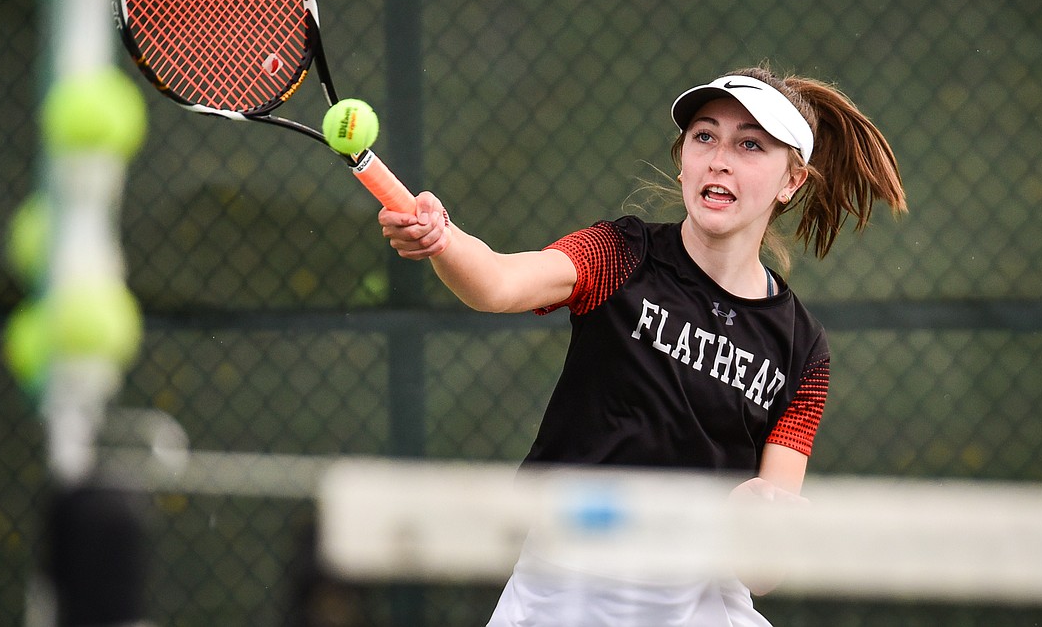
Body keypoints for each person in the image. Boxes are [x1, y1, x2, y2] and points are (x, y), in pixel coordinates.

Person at [378, 65, 907, 626]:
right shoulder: (619, 254)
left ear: (791, 181)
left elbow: (764, 570)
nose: (719, 158)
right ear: (683, 160)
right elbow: (496, 281)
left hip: (703, 596)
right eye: (704, 136)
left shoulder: (805, 351)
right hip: (568, 583)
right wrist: (443, 238)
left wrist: (755, 524)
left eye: (750, 144)